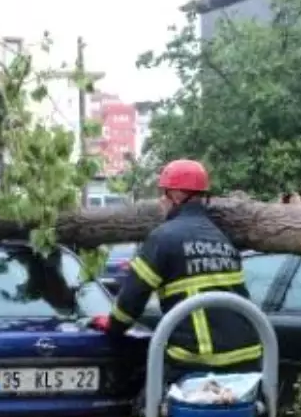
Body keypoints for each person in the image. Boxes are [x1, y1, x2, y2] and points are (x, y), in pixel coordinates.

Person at [93, 159, 262, 381]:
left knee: (148, 407)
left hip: (199, 358)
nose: (161, 201)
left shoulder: (163, 237)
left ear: (176, 195)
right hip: (248, 353)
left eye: (163, 194)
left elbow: (133, 298)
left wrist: (113, 326)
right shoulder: (222, 237)